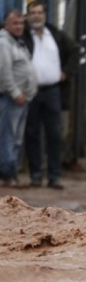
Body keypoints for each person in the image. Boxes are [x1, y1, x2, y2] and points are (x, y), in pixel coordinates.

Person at [22, 1, 80, 189]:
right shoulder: (22, 36)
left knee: (54, 134)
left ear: (45, 14)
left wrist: (66, 72)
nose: (36, 16)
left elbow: (75, 51)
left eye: (39, 12)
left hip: (53, 91)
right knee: (32, 134)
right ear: (27, 16)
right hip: (31, 92)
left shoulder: (55, 34)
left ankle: (54, 176)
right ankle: (36, 175)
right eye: (32, 13)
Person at [0, 10, 38, 187]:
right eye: (14, 23)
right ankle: (7, 175)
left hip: (22, 99)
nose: (18, 27)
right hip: (11, 99)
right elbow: (4, 73)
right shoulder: (3, 43)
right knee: (7, 137)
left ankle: (11, 173)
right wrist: (15, 93)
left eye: (21, 23)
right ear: (6, 25)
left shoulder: (18, 43)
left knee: (16, 138)